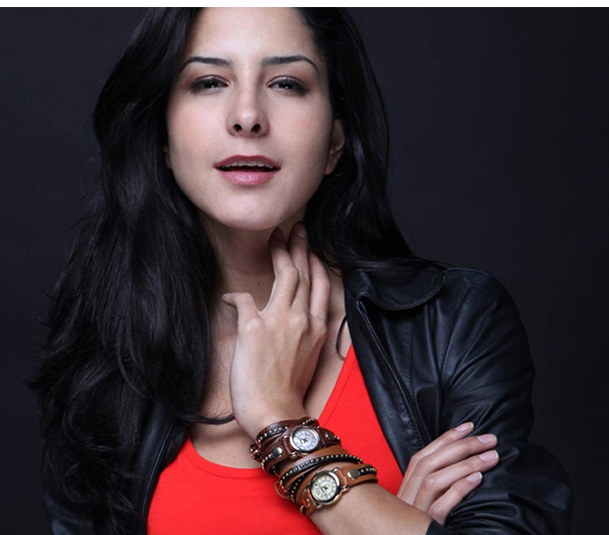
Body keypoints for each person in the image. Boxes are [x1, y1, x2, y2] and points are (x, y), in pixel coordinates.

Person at [28, 7, 573, 535]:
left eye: (287, 83)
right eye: (209, 82)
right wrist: (381, 521)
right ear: (163, 139)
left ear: (335, 139)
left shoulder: (452, 325)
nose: (247, 116)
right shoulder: (107, 354)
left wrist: (279, 421)